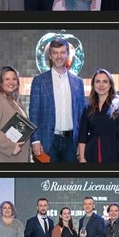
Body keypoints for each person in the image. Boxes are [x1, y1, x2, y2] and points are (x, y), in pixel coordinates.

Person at [29, 36, 86, 164]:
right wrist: (35, 140)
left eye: (62, 52)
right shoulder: (39, 81)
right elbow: (34, 113)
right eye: (55, 53)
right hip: (47, 141)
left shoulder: (78, 83)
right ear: (50, 56)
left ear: (68, 55)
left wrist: (81, 143)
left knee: (69, 177)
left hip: (71, 143)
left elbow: (81, 116)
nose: (59, 56)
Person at [77, 69, 119, 164]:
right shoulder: (88, 107)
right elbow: (82, 134)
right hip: (92, 152)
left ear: (110, 84)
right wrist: (82, 157)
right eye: (98, 81)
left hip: (114, 151)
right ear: (93, 84)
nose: (101, 85)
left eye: (105, 81)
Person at [0, 66, 30, 163]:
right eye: (7, 79)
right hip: (1, 158)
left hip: (15, 158)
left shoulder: (14, 101)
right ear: (0, 82)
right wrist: (10, 146)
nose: (11, 82)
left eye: (14, 79)